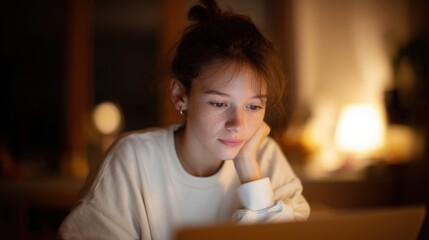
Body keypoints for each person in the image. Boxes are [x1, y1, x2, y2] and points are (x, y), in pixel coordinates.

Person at [58, 0, 310, 239]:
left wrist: (250, 173)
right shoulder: (133, 160)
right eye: (219, 103)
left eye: (253, 106)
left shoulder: (265, 157)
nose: (238, 124)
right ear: (180, 95)